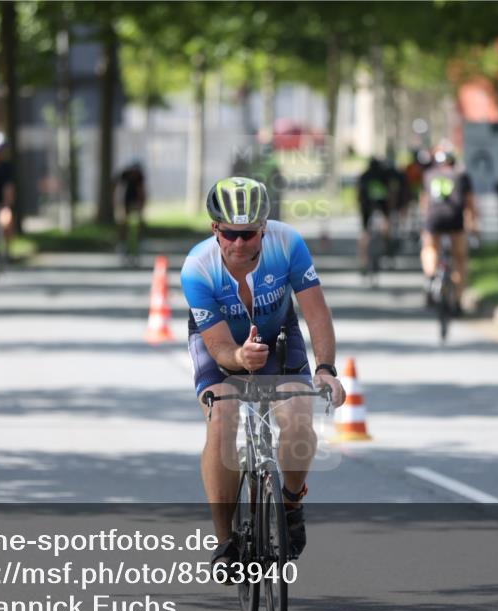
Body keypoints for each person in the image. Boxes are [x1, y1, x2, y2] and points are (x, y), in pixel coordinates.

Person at [180, 177, 346, 580]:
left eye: (249, 234)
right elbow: (220, 347)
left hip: (278, 337)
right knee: (223, 419)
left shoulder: (288, 244)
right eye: (231, 234)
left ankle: (290, 502)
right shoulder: (196, 269)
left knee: (299, 413)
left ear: (264, 229)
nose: (240, 244)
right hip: (219, 343)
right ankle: (226, 543)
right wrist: (238, 357)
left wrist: (325, 368)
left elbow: (316, 312)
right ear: (215, 230)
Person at [420, 147, 478, 312]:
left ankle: (430, 276)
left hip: (434, 218)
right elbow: (470, 203)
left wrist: (425, 224)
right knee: (460, 259)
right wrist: (473, 224)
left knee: (429, 248)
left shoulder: (429, 175)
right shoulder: (461, 175)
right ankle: (458, 300)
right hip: (455, 219)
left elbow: (425, 202)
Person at [356, 158, 391, 273]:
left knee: (365, 232)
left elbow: (358, 193)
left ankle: (363, 261)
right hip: (382, 205)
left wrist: (359, 205)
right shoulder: (384, 174)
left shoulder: (364, 175)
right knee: (386, 224)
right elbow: (390, 192)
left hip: (366, 206)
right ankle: (386, 248)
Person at [115, 161, 147, 263]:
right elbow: (120, 191)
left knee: (139, 224)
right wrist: (120, 207)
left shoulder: (140, 177)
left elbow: (141, 191)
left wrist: (142, 207)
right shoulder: (124, 175)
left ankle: (139, 244)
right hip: (126, 200)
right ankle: (122, 245)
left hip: (135, 200)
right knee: (123, 223)